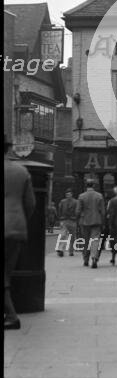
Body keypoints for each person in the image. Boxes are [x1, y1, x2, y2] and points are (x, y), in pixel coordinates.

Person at [4, 135, 36, 330]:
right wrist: (19, 220)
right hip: (16, 228)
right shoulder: (21, 171)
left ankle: (12, 315)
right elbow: (31, 204)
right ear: (8, 149)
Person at [76, 178, 105, 268]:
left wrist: (77, 220)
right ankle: (94, 258)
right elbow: (103, 211)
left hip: (84, 222)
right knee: (95, 240)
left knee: (85, 241)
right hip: (96, 221)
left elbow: (78, 211)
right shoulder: (99, 196)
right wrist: (103, 222)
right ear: (94, 185)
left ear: (86, 186)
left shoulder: (81, 196)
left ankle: (85, 259)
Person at [57, 189, 78, 257]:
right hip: (64, 220)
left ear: (72, 194)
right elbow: (59, 210)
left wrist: (76, 218)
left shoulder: (76, 202)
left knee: (72, 236)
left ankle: (71, 251)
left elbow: (77, 211)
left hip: (72, 220)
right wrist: (60, 218)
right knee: (63, 235)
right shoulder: (62, 201)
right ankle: (61, 249)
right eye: (67, 194)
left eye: (69, 194)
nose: (68, 196)